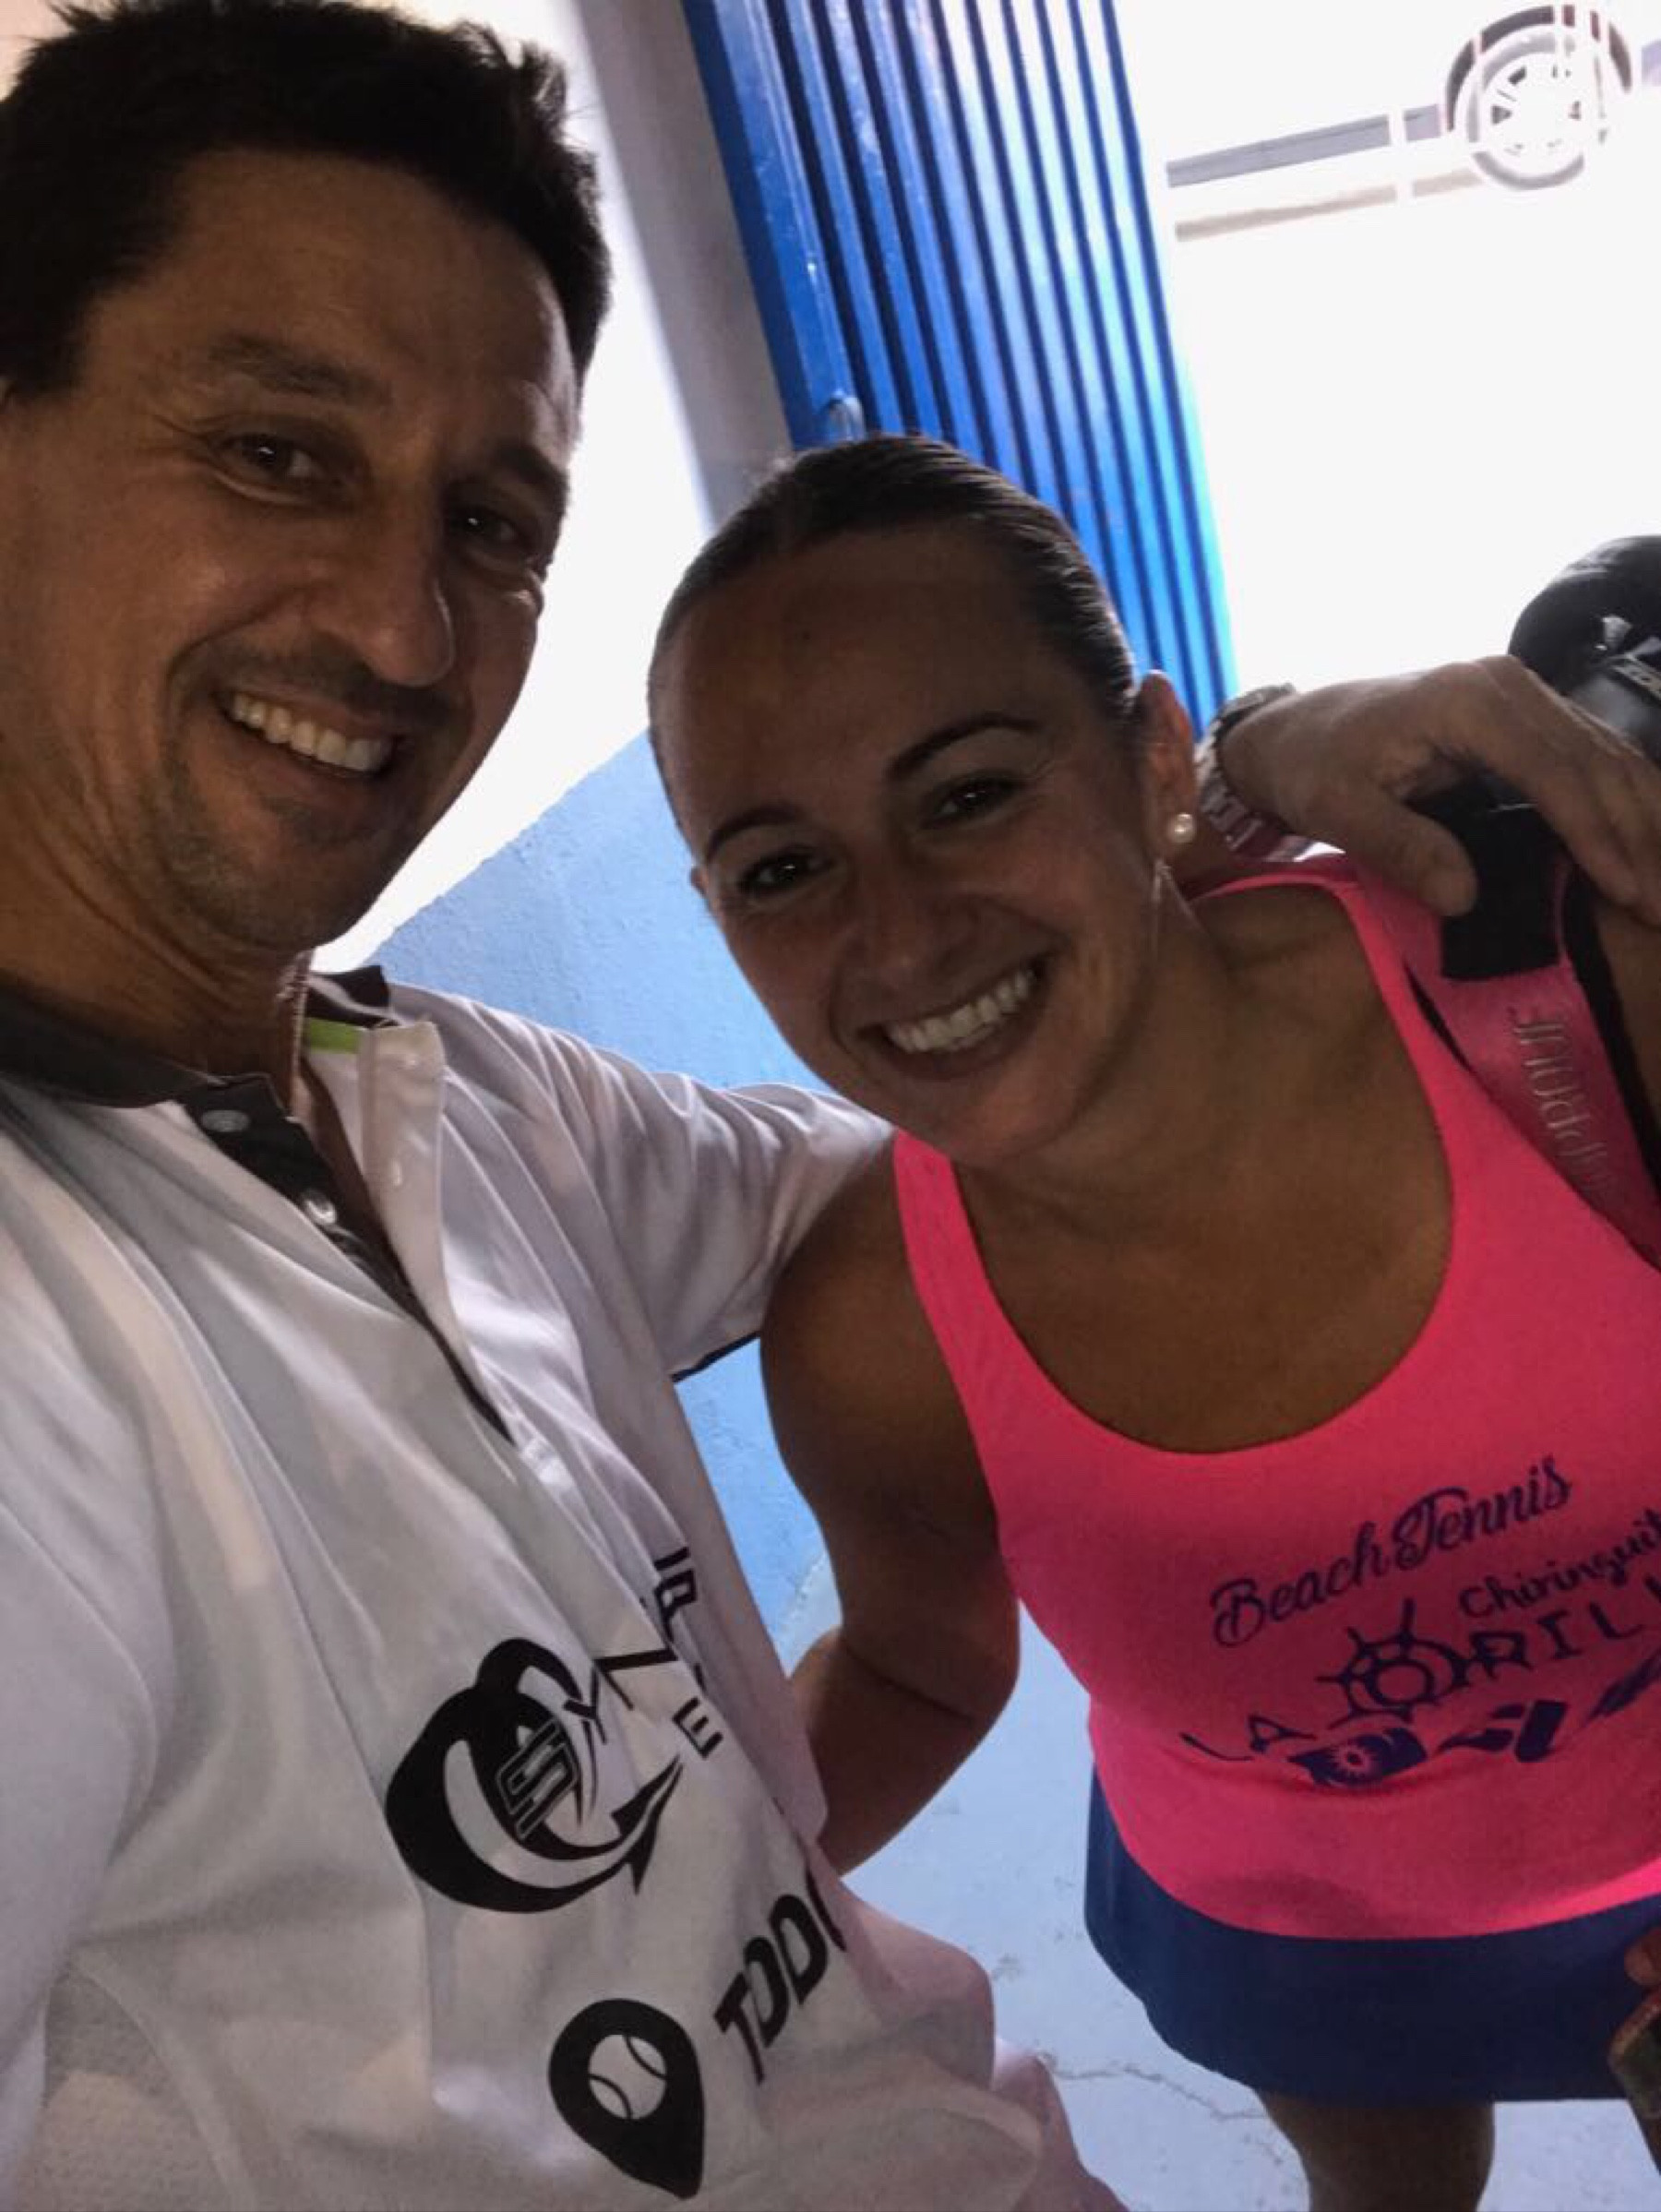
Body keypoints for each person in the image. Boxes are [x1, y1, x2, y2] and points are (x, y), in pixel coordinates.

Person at [0, 5, 1651, 2206]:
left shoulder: (447, 1098)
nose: (403, 628)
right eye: (275, 452)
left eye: (489, 519)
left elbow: (1001, 1125)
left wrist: (1246, 784)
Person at [646, 432, 1661, 2212]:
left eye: (968, 795)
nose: (905, 938)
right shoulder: (874, 1326)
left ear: (1160, 756)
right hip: (1294, 1936)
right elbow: (917, 1663)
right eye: (784, 870)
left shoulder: (1574, 1004)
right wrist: (648, 1936)